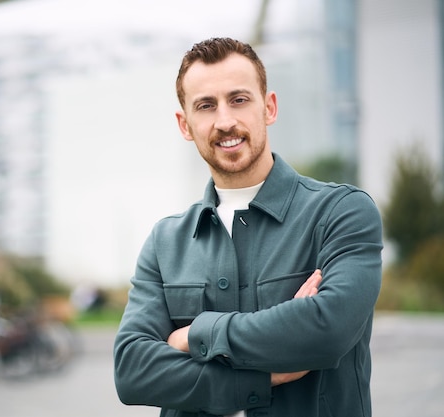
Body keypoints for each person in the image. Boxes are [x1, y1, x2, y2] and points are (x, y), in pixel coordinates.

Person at [113, 37, 383, 417]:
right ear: (185, 124)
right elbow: (132, 371)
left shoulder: (341, 212)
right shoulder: (165, 241)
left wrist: (191, 336)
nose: (225, 121)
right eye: (206, 106)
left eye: (239, 100)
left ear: (268, 107)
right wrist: (259, 379)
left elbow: (328, 330)